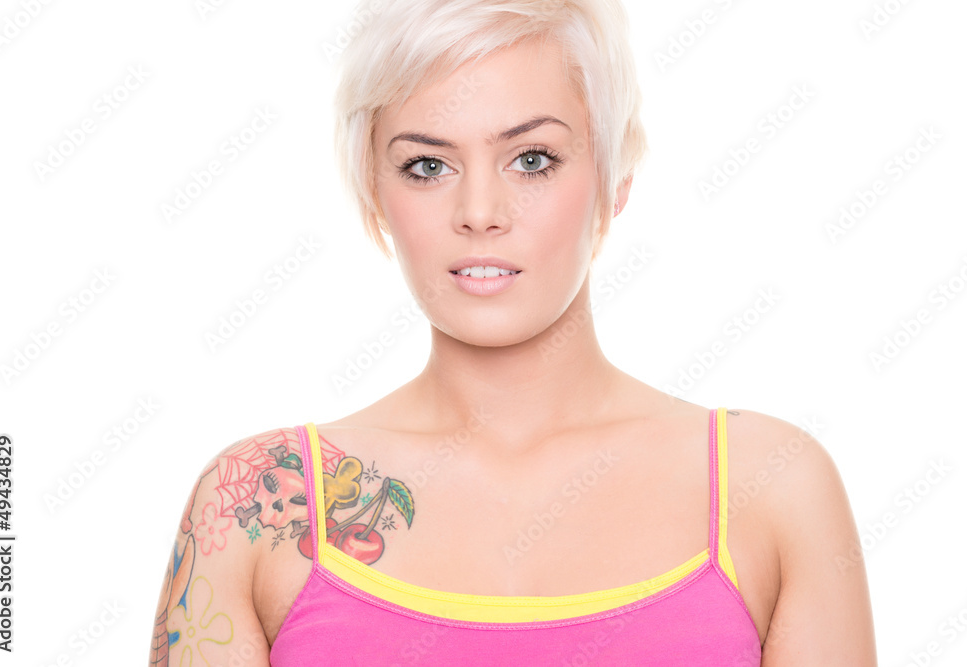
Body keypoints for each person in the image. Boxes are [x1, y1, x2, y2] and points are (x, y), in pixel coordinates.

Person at [149, 1, 877, 664]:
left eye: (532, 160)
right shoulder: (254, 509)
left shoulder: (773, 485)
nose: (479, 210)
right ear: (373, 188)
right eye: (427, 165)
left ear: (614, 172)